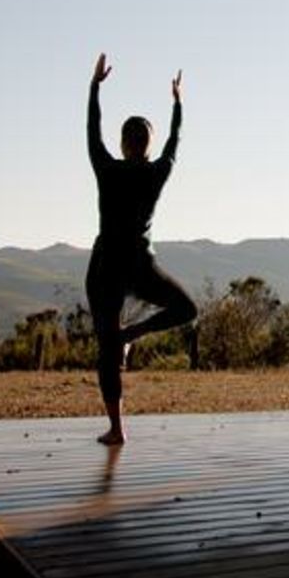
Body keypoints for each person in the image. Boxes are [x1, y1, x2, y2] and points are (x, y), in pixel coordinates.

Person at [84, 53, 196, 445]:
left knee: (106, 345)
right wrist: (177, 103)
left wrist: (95, 86)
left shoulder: (106, 167)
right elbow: (175, 144)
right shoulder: (156, 172)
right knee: (187, 309)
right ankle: (132, 334)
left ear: (123, 143)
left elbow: (92, 131)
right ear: (147, 145)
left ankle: (116, 429)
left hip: (104, 265)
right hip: (137, 263)